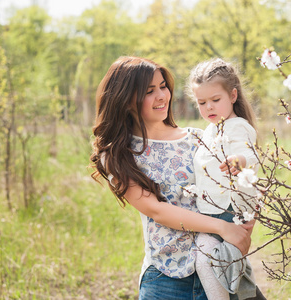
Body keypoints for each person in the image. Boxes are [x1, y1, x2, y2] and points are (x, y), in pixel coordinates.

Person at [90, 56, 254, 300]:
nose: (162, 96)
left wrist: (244, 225)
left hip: (219, 267)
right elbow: (157, 211)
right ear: (126, 100)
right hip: (166, 279)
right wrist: (223, 227)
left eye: (163, 86)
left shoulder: (199, 138)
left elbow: (238, 182)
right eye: (149, 91)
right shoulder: (118, 155)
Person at [186, 58, 264, 300]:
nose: (209, 107)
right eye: (202, 102)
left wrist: (239, 160)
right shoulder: (210, 130)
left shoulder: (236, 126)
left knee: (211, 259)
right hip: (211, 210)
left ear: (232, 96)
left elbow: (252, 154)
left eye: (215, 100)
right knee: (224, 264)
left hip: (228, 208)